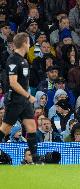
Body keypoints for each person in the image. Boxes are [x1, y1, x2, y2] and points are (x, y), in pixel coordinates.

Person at [0, 32, 39, 162]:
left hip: (24, 101)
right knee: (5, 129)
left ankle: (36, 159)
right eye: (28, 42)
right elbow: (13, 83)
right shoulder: (13, 59)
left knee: (32, 127)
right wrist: (28, 96)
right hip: (15, 100)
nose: (29, 45)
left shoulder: (24, 60)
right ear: (24, 43)